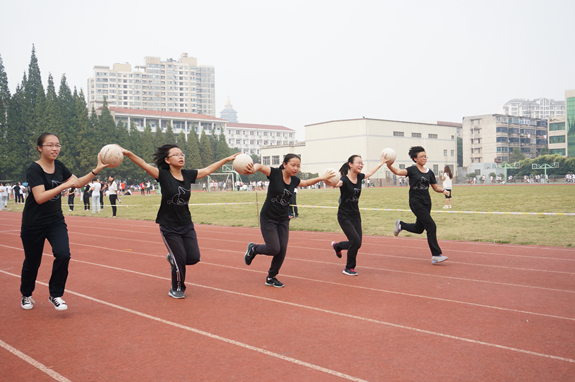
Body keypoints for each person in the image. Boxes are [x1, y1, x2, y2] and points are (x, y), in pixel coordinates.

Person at [120, 143, 239, 299]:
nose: (180, 156)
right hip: (169, 226)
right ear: (167, 160)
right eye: (176, 154)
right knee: (180, 260)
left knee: (194, 257)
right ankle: (176, 288)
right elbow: (143, 163)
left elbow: (208, 169)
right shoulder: (162, 175)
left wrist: (227, 159)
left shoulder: (188, 175)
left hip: (186, 224)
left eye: (182, 154)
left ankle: (173, 258)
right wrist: (128, 153)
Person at [20, 132, 106, 311]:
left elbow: (78, 183)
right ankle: (26, 294)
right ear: (40, 148)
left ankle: (56, 294)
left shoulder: (59, 166)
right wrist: (64, 185)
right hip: (33, 223)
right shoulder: (33, 169)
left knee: (63, 254)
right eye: (50, 145)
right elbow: (40, 197)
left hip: (55, 221)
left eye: (57, 145)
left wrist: (96, 170)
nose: (55, 149)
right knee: (32, 262)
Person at [243, 154, 335, 288]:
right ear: (285, 164)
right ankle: (253, 248)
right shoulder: (274, 173)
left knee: (282, 250)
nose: (296, 168)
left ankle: (271, 277)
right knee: (274, 248)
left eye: (298, 166)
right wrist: (254, 168)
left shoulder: (294, 180)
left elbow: (306, 183)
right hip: (268, 218)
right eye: (293, 165)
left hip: (283, 219)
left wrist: (322, 178)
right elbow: (261, 166)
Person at [386, 146, 450, 265]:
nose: (424, 158)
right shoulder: (411, 170)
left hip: (427, 203)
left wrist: (443, 191)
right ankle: (436, 255)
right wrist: (389, 165)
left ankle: (401, 225)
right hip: (416, 202)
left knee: (419, 228)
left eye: (425, 156)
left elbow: (435, 187)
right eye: (421, 156)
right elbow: (398, 172)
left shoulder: (429, 172)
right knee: (431, 225)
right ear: (415, 158)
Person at [330, 155, 384, 276]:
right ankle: (349, 268)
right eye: (358, 163)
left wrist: (381, 163)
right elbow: (336, 184)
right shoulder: (344, 180)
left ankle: (338, 246)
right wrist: (326, 179)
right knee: (355, 241)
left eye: (362, 163)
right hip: (344, 215)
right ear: (350, 164)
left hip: (355, 215)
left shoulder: (359, 177)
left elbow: (370, 173)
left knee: (357, 243)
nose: (361, 165)